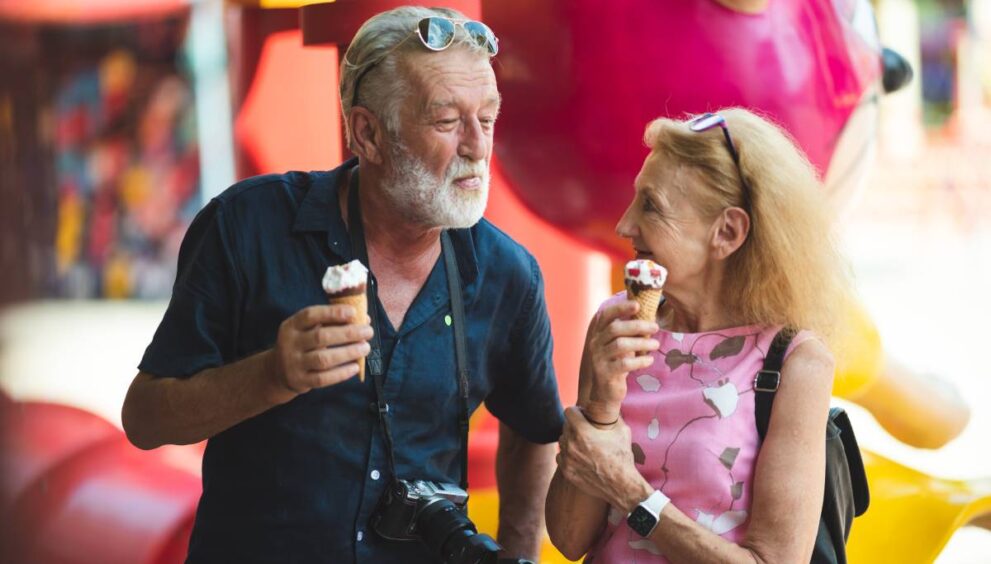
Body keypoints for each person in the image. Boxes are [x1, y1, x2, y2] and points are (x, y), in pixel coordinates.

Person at [121, 7, 563, 563]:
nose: (477, 145)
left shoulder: (508, 274)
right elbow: (145, 418)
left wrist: (517, 550)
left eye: (489, 119)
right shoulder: (247, 226)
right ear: (367, 133)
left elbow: (535, 428)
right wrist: (271, 375)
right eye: (448, 121)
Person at [545, 108, 854, 562]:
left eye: (651, 205)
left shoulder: (793, 363)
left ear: (726, 231)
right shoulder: (617, 322)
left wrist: (632, 494)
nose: (625, 225)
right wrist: (604, 406)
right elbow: (570, 540)